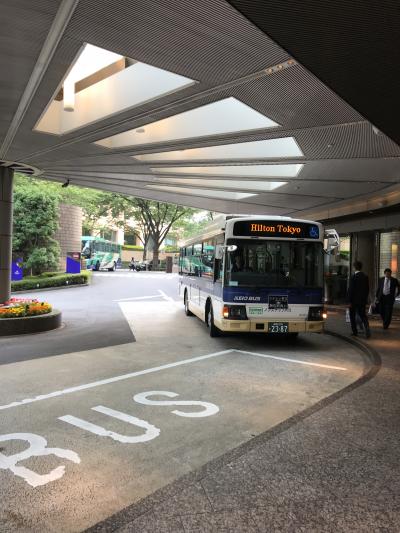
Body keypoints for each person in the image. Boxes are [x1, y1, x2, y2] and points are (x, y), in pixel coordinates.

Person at [347, 260, 371, 338]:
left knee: (352, 316)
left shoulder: (353, 277)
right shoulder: (365, 276)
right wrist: (365, 299)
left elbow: (351, 290)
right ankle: (367, 329)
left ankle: (355, 332)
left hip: (353, 301)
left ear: (354, 267)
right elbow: (367, 289)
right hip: (362, 301)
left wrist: (349, 301)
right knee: (363, 315)